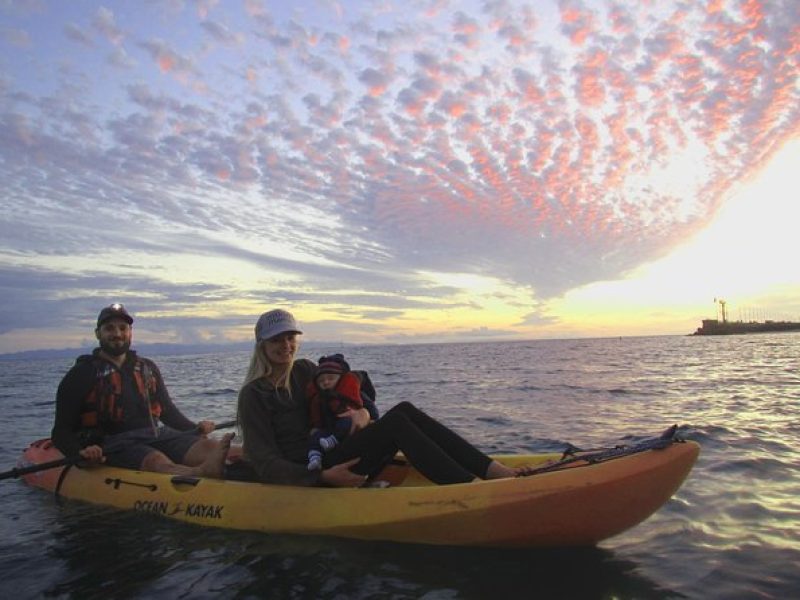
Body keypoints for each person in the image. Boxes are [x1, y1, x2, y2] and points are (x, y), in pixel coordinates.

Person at [235, 308, 530, 487]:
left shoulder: (304, 370)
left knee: (403, 410)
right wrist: (322, 477)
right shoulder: (253, 395)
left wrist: (365, 413)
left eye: (291, 338)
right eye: (277, 340)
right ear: (261, 345)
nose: (286, 345)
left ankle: (493, 470)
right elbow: (264, 462)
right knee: (397, 424)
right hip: (313, 470)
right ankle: (467, 487)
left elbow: (352, 386)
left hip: (336, 448)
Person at [51, 303, 233, 477]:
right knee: (156, 461)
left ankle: (250, 465)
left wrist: (195, 429)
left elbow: (167, 412)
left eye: (123, 328)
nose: (117, 334)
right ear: (98, 333)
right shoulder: (81, 374)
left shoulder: (147, 367)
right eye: (109, 329)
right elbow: (61, 431)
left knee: (210, 448)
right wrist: (81, 454)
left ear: (130, 333)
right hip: (113, 444)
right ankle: (198, 473)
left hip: (156, 435)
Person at [306, 353, 378, 470]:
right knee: (315, 437)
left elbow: (374, 414)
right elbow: (316, 418)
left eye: (330, 378)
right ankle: (315, 458)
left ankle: (332, 441)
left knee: (346, 422)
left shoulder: (352, 393)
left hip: (348, 432)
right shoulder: (318, 398)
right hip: (328, 433)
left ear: (341, 379)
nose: (326, 382)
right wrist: (316, 428)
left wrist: (365, 414)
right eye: (321, 381)